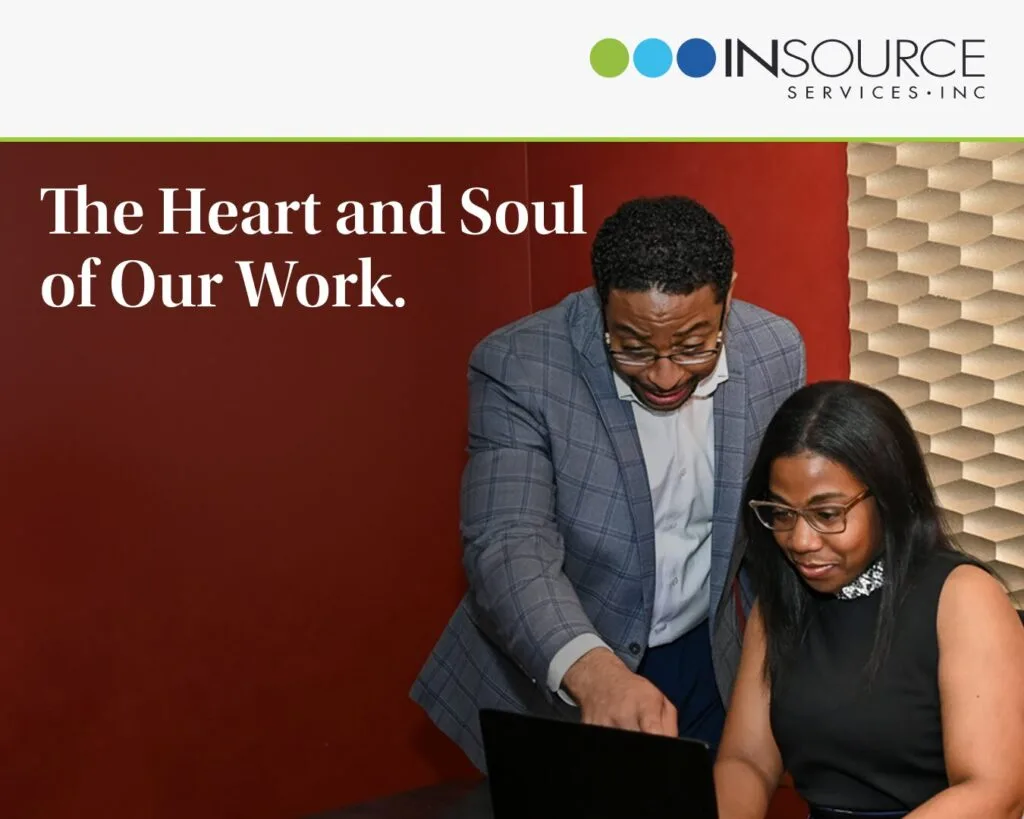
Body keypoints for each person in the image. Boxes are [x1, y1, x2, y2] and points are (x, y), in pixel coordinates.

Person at [410, 194, 806, 772]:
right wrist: (592, 671)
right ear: (602, 304)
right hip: (558, 668)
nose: (665, 376)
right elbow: (508, 540)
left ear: (728, 298)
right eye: (634, 348)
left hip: (706, 658)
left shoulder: (776, 351)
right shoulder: (520, 363)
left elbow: (772, 515)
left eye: (693, 346)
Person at [714, 381, 1024, 819]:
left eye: (827, 514)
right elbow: (746, 760)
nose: (800, 541)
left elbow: (995, 791)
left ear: (889, 499)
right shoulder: (784, 596)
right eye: (782, 513)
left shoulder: (962, 597)